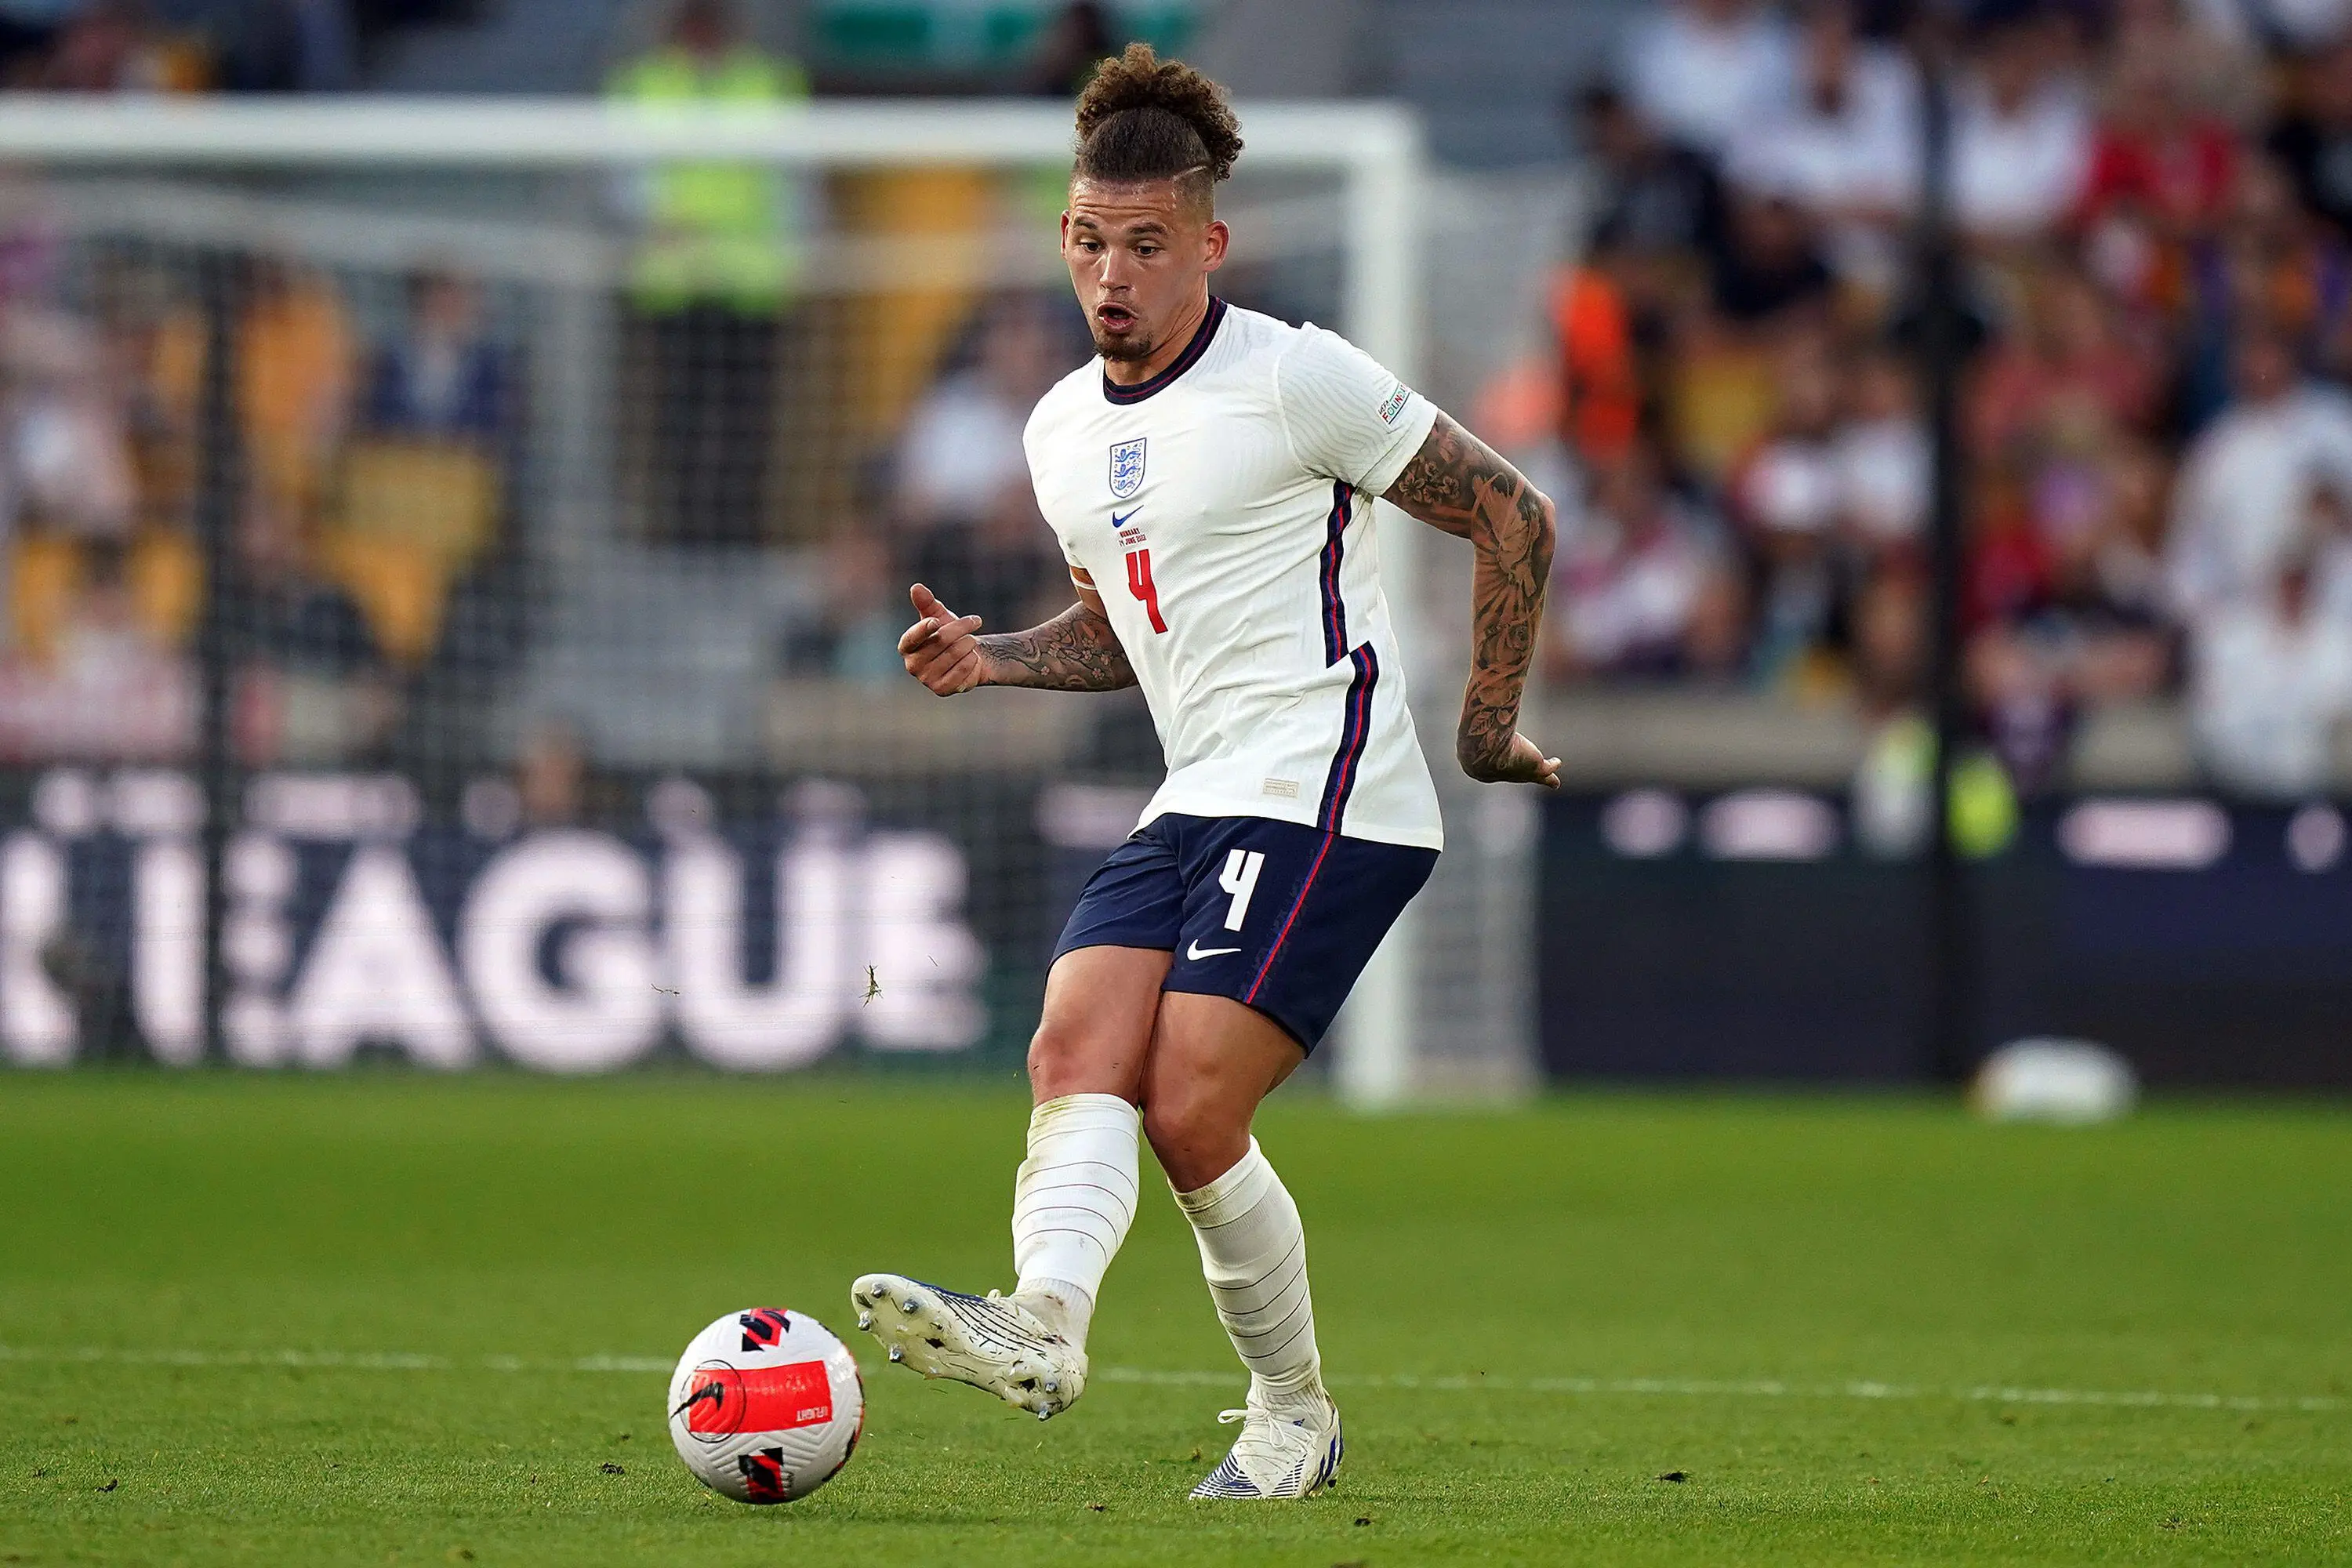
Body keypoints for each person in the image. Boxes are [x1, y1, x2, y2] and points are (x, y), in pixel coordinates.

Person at [854, 45, 1559, 1502]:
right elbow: (1127, 629)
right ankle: (1042, 1324)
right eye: (1087, 241)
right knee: (1071, 1051)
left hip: (1331, 785)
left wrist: (1487, 726)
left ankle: (1290, 1415)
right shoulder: (1060, 429)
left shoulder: (1295, 376)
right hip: (1197, 791)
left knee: (1187, 1106)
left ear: (1210, 244)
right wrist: (997, 657)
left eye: (1145, 244)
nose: (1111, 275)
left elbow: (1513, 511)